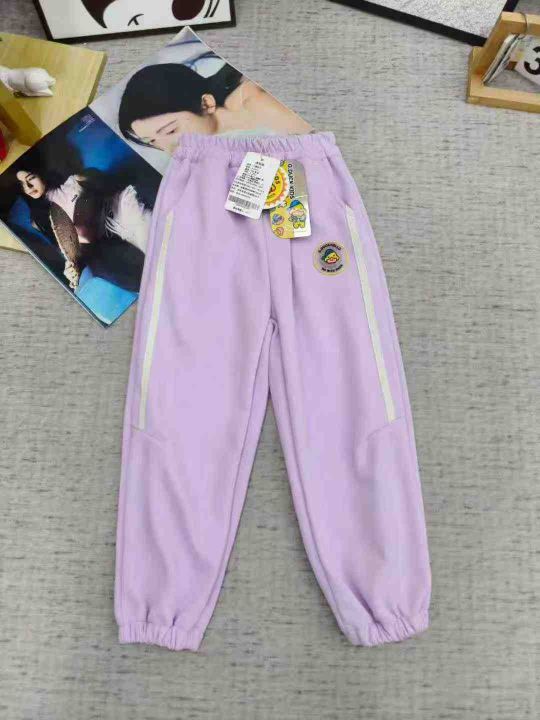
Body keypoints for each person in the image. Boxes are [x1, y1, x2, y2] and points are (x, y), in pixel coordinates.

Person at [118, 62, 312, 154]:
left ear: (206, 103)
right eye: (152, 141)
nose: (169, 150)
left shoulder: (255, 101)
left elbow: (318, 148)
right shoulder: (216, 144)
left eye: (170, 131)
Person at [15, 167, 149, 292]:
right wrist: (72, 268)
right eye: (22, 185)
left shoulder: (73, 182)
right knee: (99, 266)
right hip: (104, 242)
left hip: (120, 212)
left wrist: (85, 205)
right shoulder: (41, 220)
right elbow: (69, 249)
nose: (28, 186)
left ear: (40, 173)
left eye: (30, 178)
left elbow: (102, 182)